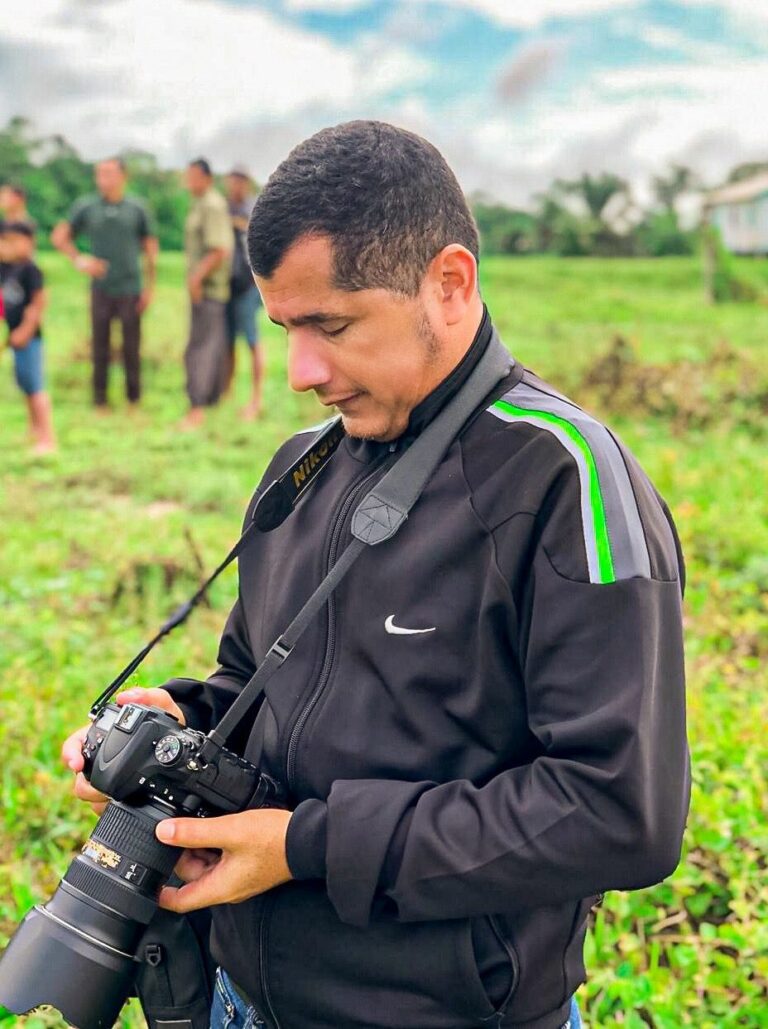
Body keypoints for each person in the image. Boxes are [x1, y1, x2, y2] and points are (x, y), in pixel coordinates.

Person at [63, 122, 690, 1029]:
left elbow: (618, 810)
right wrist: (184, 720)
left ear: (449, 283)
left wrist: (306, 845)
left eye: (332, 325)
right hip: (240, 994)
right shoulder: (302, 464)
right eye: (284, 328)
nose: (300, 372)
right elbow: (256, 680)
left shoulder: (566, 480)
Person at [51, 157, 158, 411]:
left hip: (130, 288)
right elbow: (60, 237)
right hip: (101, 289)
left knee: (131, 347)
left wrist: (149, 287)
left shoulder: (137, 208)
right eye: (99, 174)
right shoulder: (87, 207)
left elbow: (151, 249)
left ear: (123, 176)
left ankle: (133, 401)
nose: (103, 179)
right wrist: (79, 260)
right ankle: (100, 401)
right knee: (100, 346)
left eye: (109, 173)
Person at [181, 158, 232, 430]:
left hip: (209, 289)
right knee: (210, 344)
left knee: (199, 347)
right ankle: (210, 400)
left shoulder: (212, 205)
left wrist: (196, 279)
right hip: (207, 288)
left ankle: (197, 408)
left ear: (206, 178)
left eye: (193, 176)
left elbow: (219, 250)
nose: (188, 181)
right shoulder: (200, 203)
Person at [0, 221, 56, 453]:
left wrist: (25, 330)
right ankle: (33, 430)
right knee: (24, 384)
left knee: (35, 387)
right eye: (4, 242)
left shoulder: (30, 270)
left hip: (29, 337)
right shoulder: (4, 269)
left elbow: (38, 303)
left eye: (14, 242)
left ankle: (48, 439)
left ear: (30, 243)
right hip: (11, 335)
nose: (8, 247)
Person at [224, 165, 264, 421]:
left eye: (240, 181)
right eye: (232, 181)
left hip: (248, 284)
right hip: (228, 284)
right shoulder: (225, 207)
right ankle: (228, 392)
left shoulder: (254, 208)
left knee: (251, 340)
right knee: (229, 341)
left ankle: (256, 398)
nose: (236, 186)